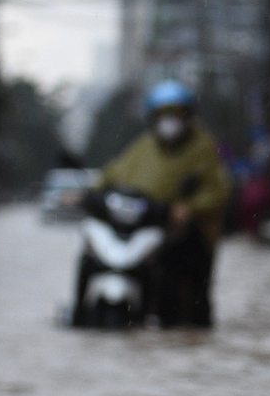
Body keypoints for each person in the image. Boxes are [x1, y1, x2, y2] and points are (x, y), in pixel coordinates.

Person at [99, 80, 231, 327]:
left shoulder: (203, 148)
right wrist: (89, 192)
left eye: (176, 115)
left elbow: (218, 190)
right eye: (163, 115)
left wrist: (189, 208)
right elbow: (114, 174)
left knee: (187, 303)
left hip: (186, 237)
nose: (169, 122)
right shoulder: (144, 146)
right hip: (144, 229)